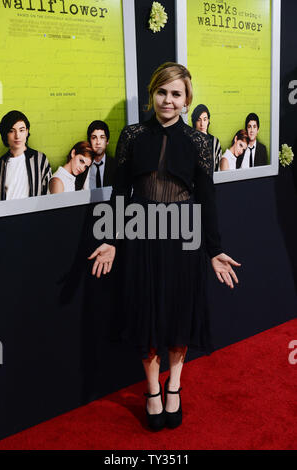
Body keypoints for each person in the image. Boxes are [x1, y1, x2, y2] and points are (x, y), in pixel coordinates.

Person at [88, 62, 241, 431]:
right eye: (162, 92)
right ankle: (152, 390)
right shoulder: (132, 136)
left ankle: (174, 386)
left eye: (176, 94)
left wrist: (213, 249)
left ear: (187, 99)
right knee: (146, 315)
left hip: (184, 237)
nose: (168, 101)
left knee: (178, 314)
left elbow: (207, 199)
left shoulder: (201, 142)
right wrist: (110, 238)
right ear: (152, 94)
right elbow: (120, 192)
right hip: (141, 237)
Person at [0, 110, 51, 201]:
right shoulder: (1, 163)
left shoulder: (40, 159)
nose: (17, 136)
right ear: (5, 134)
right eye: (11, 131)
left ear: (27, 132)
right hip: (8, 213)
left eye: (21, 130)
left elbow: (48, 194)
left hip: (33, 213)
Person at [81, 120, 116, 190]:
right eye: (94, 137)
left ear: (107, 141)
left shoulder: (116, 165)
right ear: (89, 141)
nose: (98, 142)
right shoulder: (81, 166)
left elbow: (121, 192)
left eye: (102, 137)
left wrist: (119, 202)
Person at [191, 104, 222, 171]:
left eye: (205, 119)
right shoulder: (189, 141)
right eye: (199, 120)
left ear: (208, 121)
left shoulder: (215, 142)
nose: (202, 124)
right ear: (194, 122)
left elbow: (218, 169)